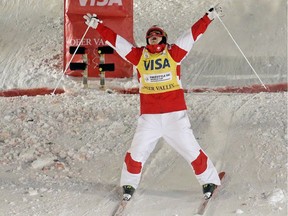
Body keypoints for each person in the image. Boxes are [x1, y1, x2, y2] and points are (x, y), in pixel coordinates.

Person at [84, 5, 223, 201]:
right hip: (149, 118)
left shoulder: (174, 53)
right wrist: (97, 25)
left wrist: (208, 18)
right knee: (136, 153)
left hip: (175, 117)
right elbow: (117, 42)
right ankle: (128, 184)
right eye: (150, 36)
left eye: (157, 35)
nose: (153, 38)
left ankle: (210, 181)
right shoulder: (139, 55)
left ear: (164, 38)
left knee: (191, 150)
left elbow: (192, 35)